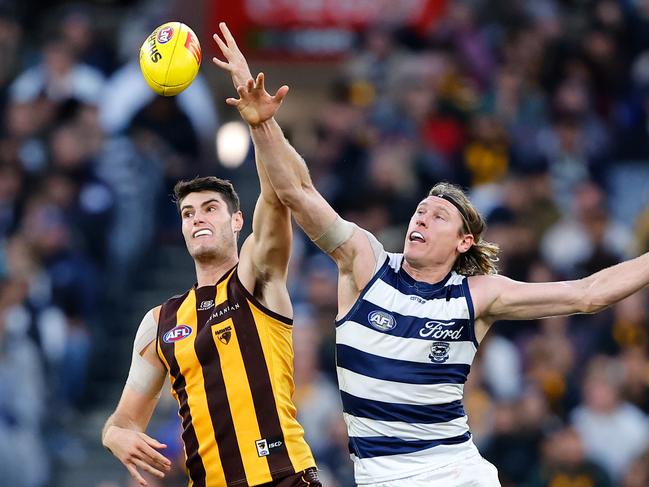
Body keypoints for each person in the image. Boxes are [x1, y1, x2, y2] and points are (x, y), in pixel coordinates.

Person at [214, 22, 649, 487]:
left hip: (456, 471)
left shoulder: (478, 295)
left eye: (438, 216)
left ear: (464, 242)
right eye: (420, 211)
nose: (420, 218)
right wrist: (261, 122)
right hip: (382, 476)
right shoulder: (366, 263)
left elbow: (588, 294)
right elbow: (298, 193)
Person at [101, 29, 321, 487]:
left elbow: (280, 198)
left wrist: (260, 124)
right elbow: (122, 421)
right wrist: (114, 436)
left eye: (210, 208)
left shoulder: (258, 277)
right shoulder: (159, 322)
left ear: (237, 222)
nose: (197, 219)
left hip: (284, 479)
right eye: (187, 213)